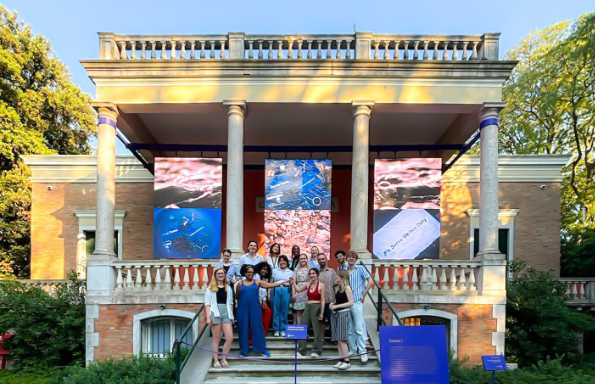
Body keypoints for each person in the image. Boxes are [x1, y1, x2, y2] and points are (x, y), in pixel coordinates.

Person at [235, 265, 286, 357]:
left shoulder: (257, 282)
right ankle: (244, 351)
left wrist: (283, 281)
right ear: (245, 273)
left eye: (252, 272)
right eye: (248, 272)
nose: (250, 274)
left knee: (258, 328)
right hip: (242, 310)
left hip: (255, 309)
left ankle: (261, 350)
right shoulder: (239, 284)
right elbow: (237, 297)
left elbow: (271, 285)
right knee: (243, 329)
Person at [205, 268, 234, 368]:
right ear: (215, 275)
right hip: (215, 313)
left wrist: (232, 315)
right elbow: (207, 304)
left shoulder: (228, 288)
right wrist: (208, 318)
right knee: (216, 339)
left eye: (222, 273)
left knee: (229, 337)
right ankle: (216, 360)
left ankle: (223, 358)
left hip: (226, 313)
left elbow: (230, 303)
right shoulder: (210, 288)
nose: (221, 274)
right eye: (219, 273)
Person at [293, 268, 325, 358]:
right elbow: (298, 290)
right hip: (307, 306)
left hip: (317, 306)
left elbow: (323, 300)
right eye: (310, 274)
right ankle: (301, 350)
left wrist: (322, 313)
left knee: (317, 329)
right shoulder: (307, 284)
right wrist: (293, 283)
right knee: (302, 328)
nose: (312, 275)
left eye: (313, 273)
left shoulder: (321, 285)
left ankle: (316, 351)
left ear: (317, 274)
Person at [346, 251, 370, 364]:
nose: (351, 259)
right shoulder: (344, 269)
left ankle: (363, 352)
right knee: (349, 328)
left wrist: (363, 295)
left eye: (353, 257)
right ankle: (352, 349)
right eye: (349, 257)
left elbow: (370, 282)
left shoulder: (360, 268)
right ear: (347, 259)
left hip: (356, 302)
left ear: (356, 259)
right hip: (346, 303)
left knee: (359, 328)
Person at [330, 270, 354, 370]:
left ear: (342, 278)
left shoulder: (347, 288)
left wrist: (336, 306)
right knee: (338, 339)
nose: (336, 279)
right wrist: (332, 304)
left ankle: (347, 361)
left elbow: (351, 302)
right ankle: (341, 360)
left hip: (344, 314)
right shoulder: (338, 289)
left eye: (337, 277)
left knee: (342, 339)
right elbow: (337, 300)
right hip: (336, 314)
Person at [272, 255, 293, 337]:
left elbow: (291, 283)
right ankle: (276, 329)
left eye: (284, 260)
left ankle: (283, 329)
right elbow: (272, 282)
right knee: (276, 310)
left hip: (286, 290)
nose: (282, 262)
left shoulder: (290, 272)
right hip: (276, 290)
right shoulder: (274, 271)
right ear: (278, 262)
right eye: (280, 260)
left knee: (284, 310)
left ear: (287, 262)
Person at [317, 253, 337, 335]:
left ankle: (334, 339)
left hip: (330, 300)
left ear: (326, 259)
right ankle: (321, 339)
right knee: (320, 322)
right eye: (319, 259)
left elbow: (336, 285)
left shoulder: (332, 271)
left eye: (323, 259)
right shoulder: (316, 273)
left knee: (331, 320)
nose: (321, 261)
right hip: (319, 301)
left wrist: (336, 299)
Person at [255, 261, 273, 335]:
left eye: (266, 270)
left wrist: (264, 301)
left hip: (261, 301)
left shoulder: (264, 278)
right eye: (263, 269)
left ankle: (263, 332)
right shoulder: (256, 276)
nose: (264, 271)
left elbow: (263, 291)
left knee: (268, 312)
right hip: (254, 301)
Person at [292, 253, 309, 324]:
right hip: (298, 291)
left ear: (307, 259)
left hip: (307, 291)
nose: (303, 260)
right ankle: (299, 330)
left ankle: (305, 331)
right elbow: (293, 282)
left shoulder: (310, 269)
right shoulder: (296, 270)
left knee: (306, 312)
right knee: (298, 312)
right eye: (301, 258)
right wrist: (293, 294)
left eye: (304, 258)